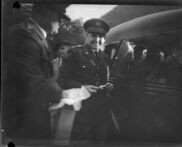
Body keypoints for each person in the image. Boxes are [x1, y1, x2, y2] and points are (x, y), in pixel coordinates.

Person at [4, 3, 71, 139]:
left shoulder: (36, 35)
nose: (62, 22)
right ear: (45, 11)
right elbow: (33, 78)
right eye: (59, 16)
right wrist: (66, 94)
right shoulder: (22, 34)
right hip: (23, 118)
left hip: (34, 113)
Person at [58, 18, 113, 146]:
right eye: (94, 35)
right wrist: (82, 87)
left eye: (101, 36)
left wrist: (109, 85)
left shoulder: (105, 57)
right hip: (82, 111)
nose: (97, 39)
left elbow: (104, 79)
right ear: (86, 35)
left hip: (102, 110)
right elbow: (62, 80)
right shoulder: (74, 53)